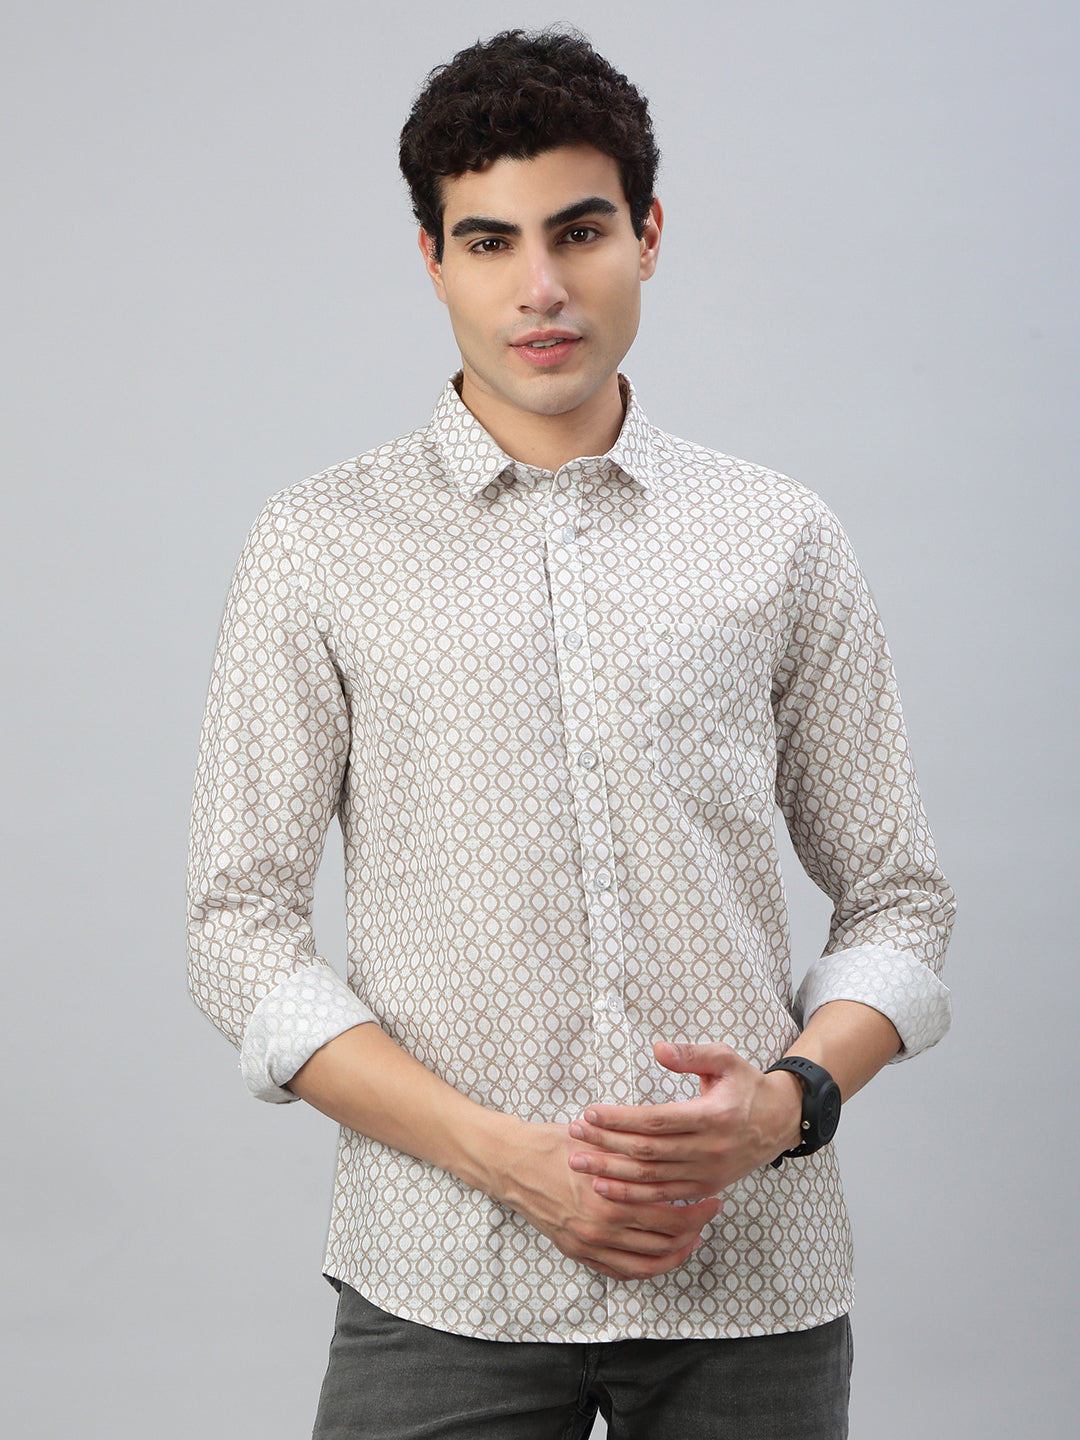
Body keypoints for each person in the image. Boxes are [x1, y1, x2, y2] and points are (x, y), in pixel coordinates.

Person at [187, 28, 954, 1439]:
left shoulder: (778, 536)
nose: (540, 288)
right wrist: (502, 1160)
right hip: (440, 1278)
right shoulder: (319, 544)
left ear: (648, 236)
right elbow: (237, 931)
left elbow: (900, 902)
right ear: (433, 260)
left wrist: (787, 1106)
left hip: (751, 1284)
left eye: (581, 231)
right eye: (489, 242)